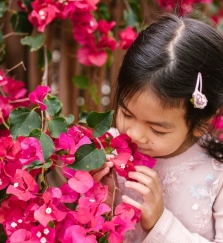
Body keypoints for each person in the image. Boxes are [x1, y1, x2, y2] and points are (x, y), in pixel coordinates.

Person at [93, 13, 223, 242]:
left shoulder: (217, 175)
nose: (133, 134)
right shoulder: (105, 148)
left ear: (200, 122)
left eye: (157, 130)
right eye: (126, 113)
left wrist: (160, 224)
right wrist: (97, 193)